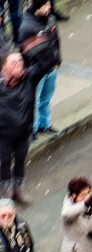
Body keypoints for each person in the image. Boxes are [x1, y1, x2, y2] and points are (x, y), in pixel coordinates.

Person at [0, 52, 43, 205]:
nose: (19, 63)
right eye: (13, 62)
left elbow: (45, 62)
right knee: (4, 162)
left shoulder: (29, 80)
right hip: (4, 134)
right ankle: (7, 188)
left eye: (20, 60)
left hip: (23, 133)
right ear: (4, 68)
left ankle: (18, 189)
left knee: (20, 161)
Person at [18, 0, 61, 139]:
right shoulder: (27, 27)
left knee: (46, 100)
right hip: (37, 73)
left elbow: (56, 40)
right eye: (46, 5)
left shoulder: (50, 18)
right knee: (34, 102)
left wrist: (57, 61)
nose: (50, 7)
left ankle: (45, 125)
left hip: (51, 68)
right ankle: (32, 130)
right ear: (38, 7)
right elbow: (25, 53)